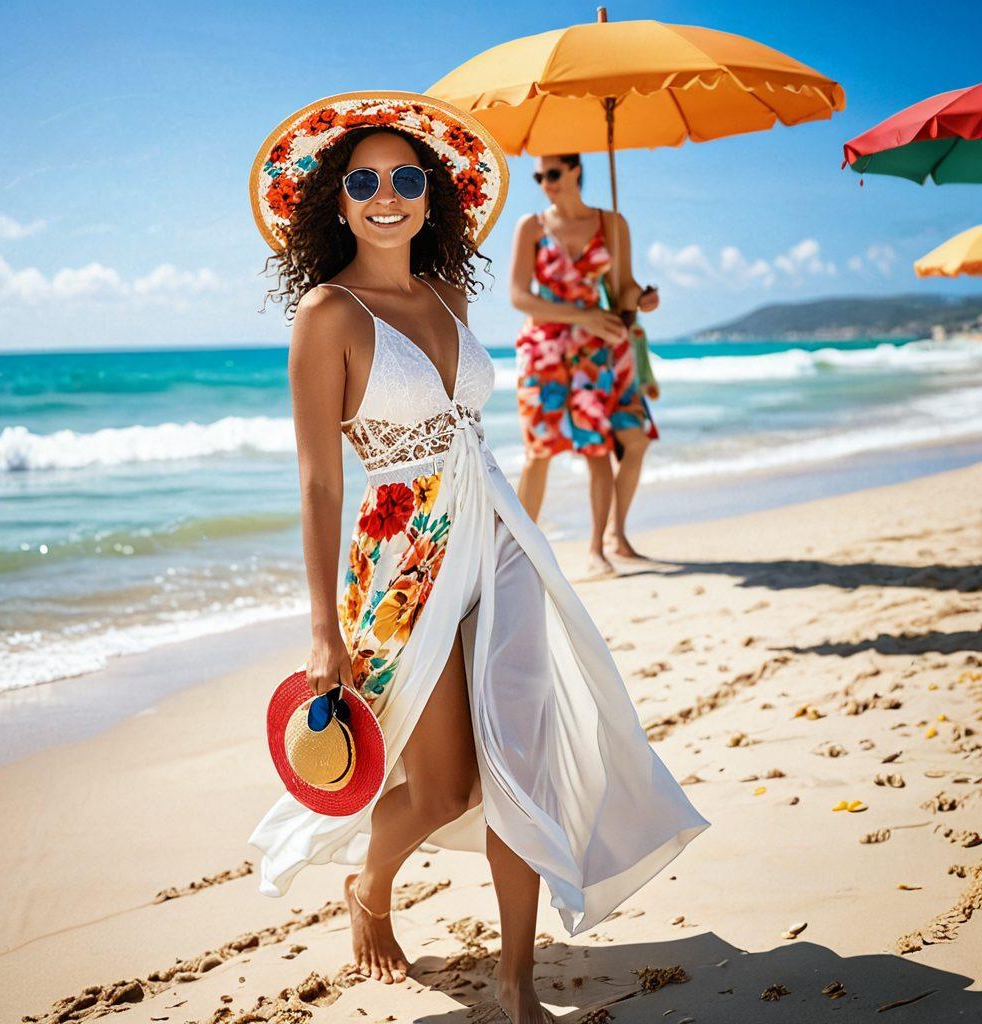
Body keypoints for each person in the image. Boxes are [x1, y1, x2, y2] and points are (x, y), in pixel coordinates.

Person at [247, 93, 708, 1024]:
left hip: (499, 541)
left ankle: (516, 979)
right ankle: (370, 886)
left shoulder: (449, 296)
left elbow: (474, 432)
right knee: (443, 787)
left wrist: (621, 307)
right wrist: (322, 627)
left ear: (432, 195)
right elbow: (321, 482)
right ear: (337, 202)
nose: (386, 196)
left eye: (405, 178)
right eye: (364, 182)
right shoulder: (326, 315)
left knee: (519, 766)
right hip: (403, 563)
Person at [510, 154, 660, 573]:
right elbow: (520, 296)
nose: (545, 183)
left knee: (597, 449)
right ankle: (516, 556)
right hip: (542, 352)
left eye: (553, 173)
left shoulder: (612, 223)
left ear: (576, 169)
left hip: (595, 352)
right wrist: (581, 316)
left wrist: (641, 298)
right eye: (539, 177)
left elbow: (623, 287)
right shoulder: (531, 226)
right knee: (538, 452)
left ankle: (597, 550)